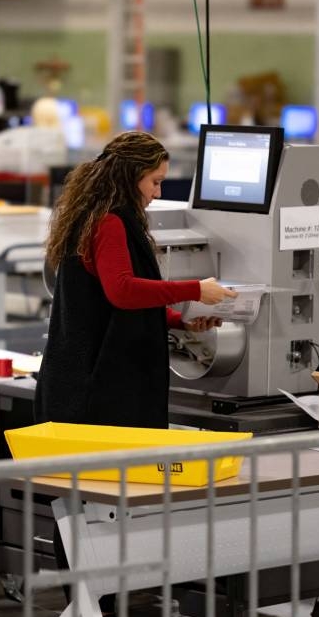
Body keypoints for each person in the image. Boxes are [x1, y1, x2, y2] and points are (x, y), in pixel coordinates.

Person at [35, 131, 236, 429]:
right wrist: (196, 290)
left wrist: (180, 321)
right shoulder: (109, 222)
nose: (157, 194)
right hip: (99, 390)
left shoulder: (89, 215)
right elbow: (122, 291)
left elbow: (107, 300)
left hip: (80, 382)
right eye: (154, 182)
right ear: (129, 177)